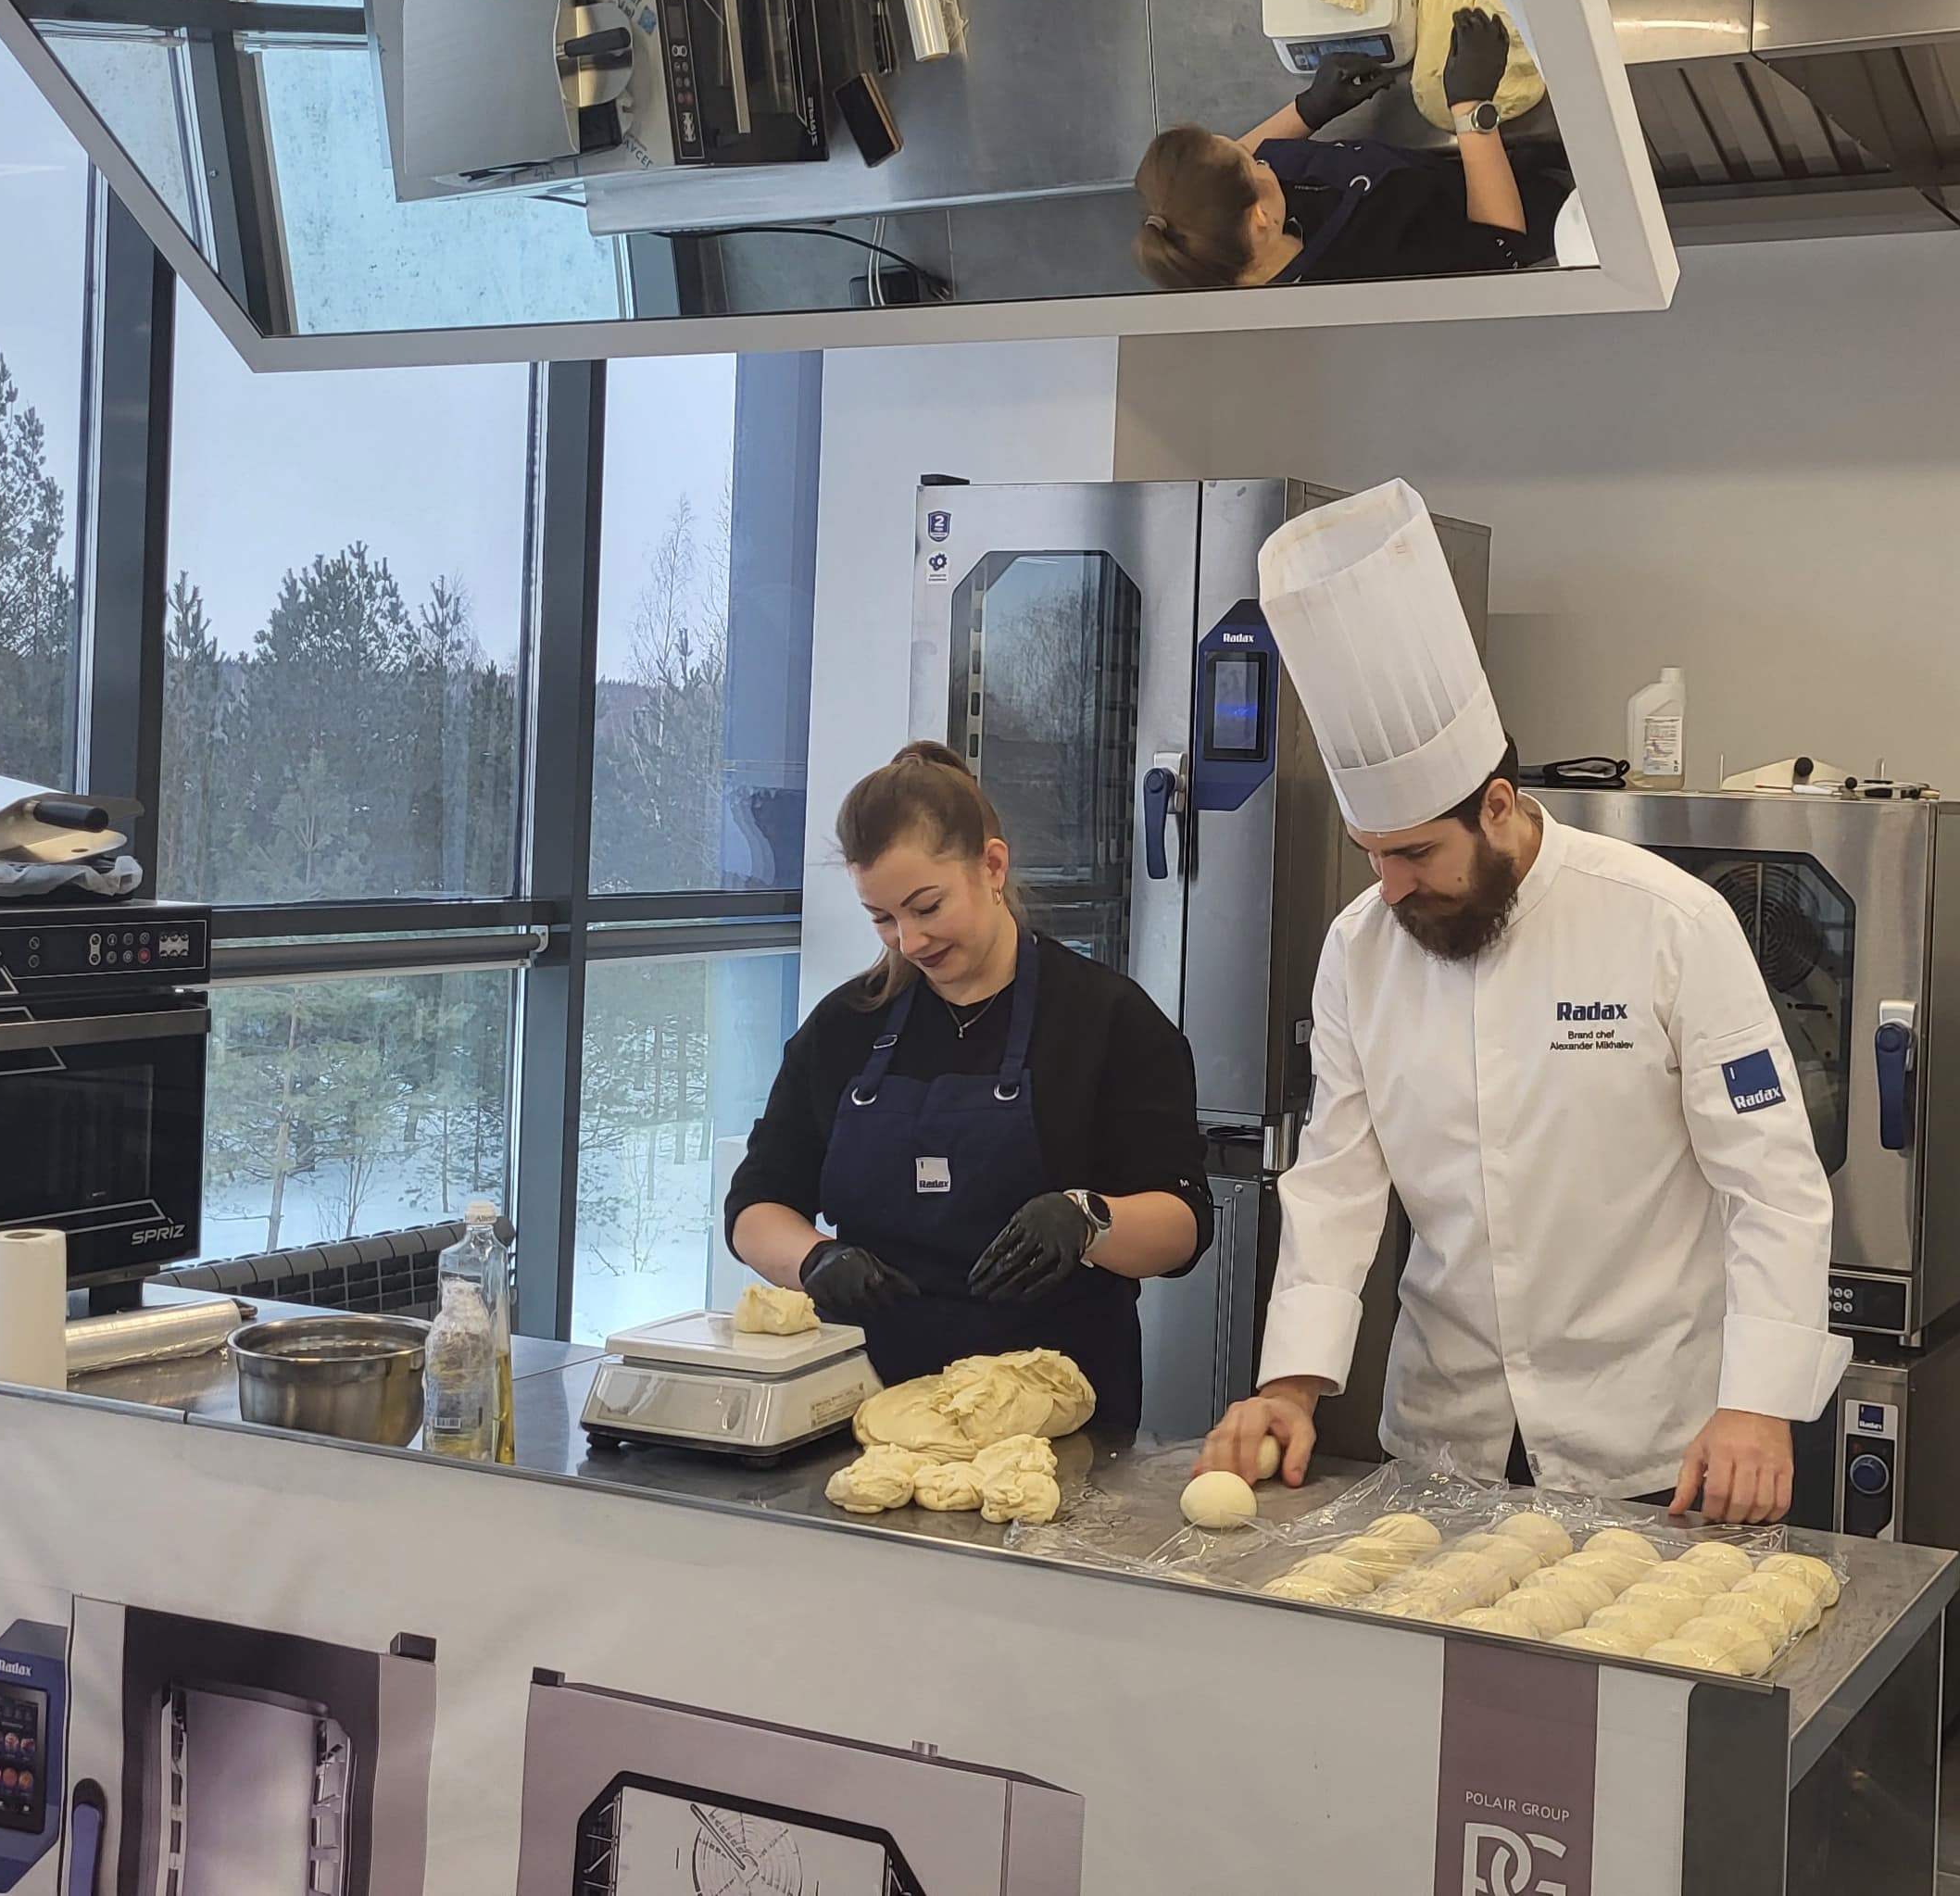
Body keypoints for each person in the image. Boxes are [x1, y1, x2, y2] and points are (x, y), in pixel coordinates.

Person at [1194, 483, 1846, 1521]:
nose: (1390, 888)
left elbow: (1771, 1184)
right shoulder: (1360, 949)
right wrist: (1291, 1383)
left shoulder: (1668, 923)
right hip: (1444, 1440)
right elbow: (1337, 1183)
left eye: (1416, 854)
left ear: (1497, 806)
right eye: (1372, 855)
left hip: (1654, 1441)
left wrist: (1759, 1403)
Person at [724, 742, 1209, 1438]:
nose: (909, 941)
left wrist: (1087, 1219)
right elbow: (755, 1206)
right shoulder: (845, 1026)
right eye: (882, 918)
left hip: (1054, 1421)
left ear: (992, 866)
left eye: (927, 907)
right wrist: (814, 1259)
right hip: (865, 1410)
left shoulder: (1108, 1019)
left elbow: (1183, 1224)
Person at [1132, 9, 1572, 289]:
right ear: (1261, 219)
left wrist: (1307, 109)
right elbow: (1500, 253)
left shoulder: (1209, 238)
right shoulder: (1368, 273)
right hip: (1525, 216)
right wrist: (1472, 109)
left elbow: (1226, 177)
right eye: (1251, 160)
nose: (1256, 150)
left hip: (1442, 180)